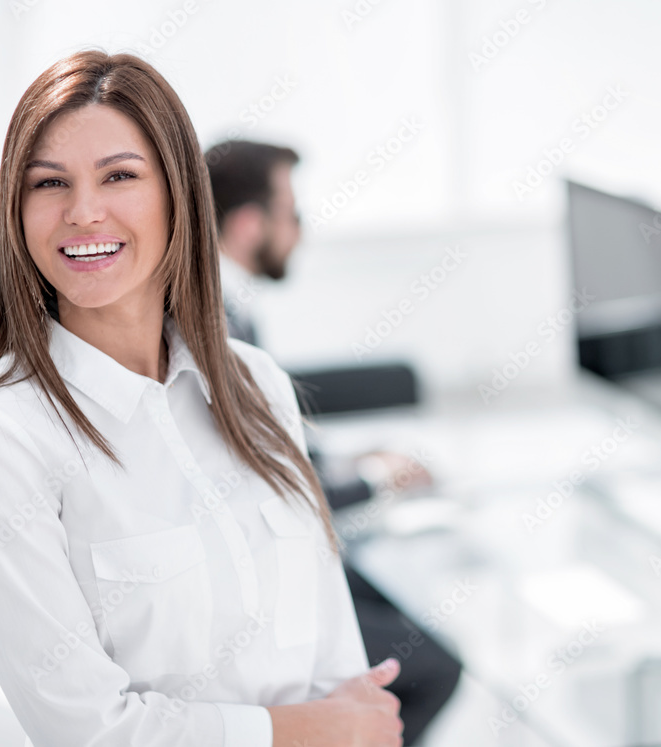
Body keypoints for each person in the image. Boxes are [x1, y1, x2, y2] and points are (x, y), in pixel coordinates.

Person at [0, 50, 404, 747]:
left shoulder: (257, 383)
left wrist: (342, 727)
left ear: (180, 194)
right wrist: (308, 731)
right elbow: (88, 731)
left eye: (119, 175)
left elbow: (342, 672)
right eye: (49, 183)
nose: (82, 211)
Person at [205, 139, 464, 746]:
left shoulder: (226, 303)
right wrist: (377, 479)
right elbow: (265, 483)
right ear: (249, 224)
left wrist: (359, 462)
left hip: (272, 545)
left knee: (406, 609)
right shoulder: (214, 323)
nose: (303, 229)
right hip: (256, 590)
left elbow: (266, 445)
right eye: (294, 212)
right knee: (431, 668)